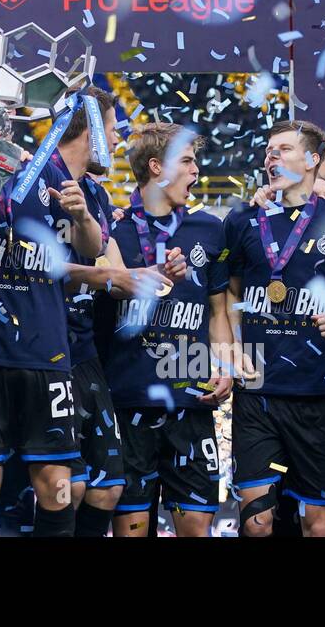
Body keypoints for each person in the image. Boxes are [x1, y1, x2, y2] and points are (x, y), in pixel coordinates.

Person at [0, 106, 105, 537]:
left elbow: (93, 247)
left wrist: (82, 215)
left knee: (58, 484)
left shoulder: (46, 172)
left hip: (47, 351)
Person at [223, 119, 325, 537]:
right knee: (256, 522)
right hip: (257, 391)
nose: (273, 157)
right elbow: (228, 297)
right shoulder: (243, 219)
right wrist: (233, 348)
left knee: (319, 523)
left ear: (312, 160)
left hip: (318, 391)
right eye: (270, 150)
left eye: (284, 149)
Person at [107, 123, 233, 537]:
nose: (196, 171)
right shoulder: (112, 231)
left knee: (197, 529)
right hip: (129, 405)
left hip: (190, 405)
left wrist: (225, 365)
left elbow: (218, 310)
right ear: (157, 167)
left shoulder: (210, 230)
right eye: (187, 161)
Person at [47, 88, 127, 536]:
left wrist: (136, 276)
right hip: (44, 350)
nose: (116, 141)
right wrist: (117, 278)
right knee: (66, 487)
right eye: (112, 129)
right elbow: (38, 265)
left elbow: (99, 255)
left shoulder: (95, 192)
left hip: (84, 345)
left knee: (106, 488)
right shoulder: (35, 178)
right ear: (91, 130)